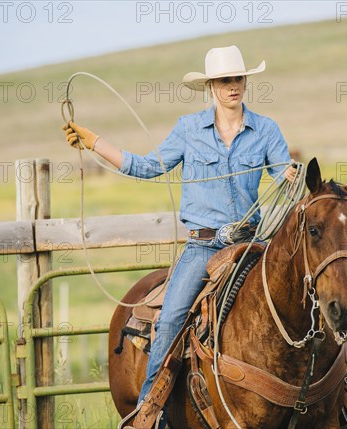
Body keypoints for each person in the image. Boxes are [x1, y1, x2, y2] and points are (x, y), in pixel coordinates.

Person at [63, 45, 297, 428]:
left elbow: (285, 178)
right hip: (203, 246)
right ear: (211, 86)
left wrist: (290, 177)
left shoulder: (266, 130)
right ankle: (149, 412)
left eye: (237, 78)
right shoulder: (189, 129)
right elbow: (146, 166)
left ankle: (334, 397)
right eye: (224, 80)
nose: (232, 86)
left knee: (300, 301)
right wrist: (95, 142)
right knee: (171, 320)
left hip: (250, 244)